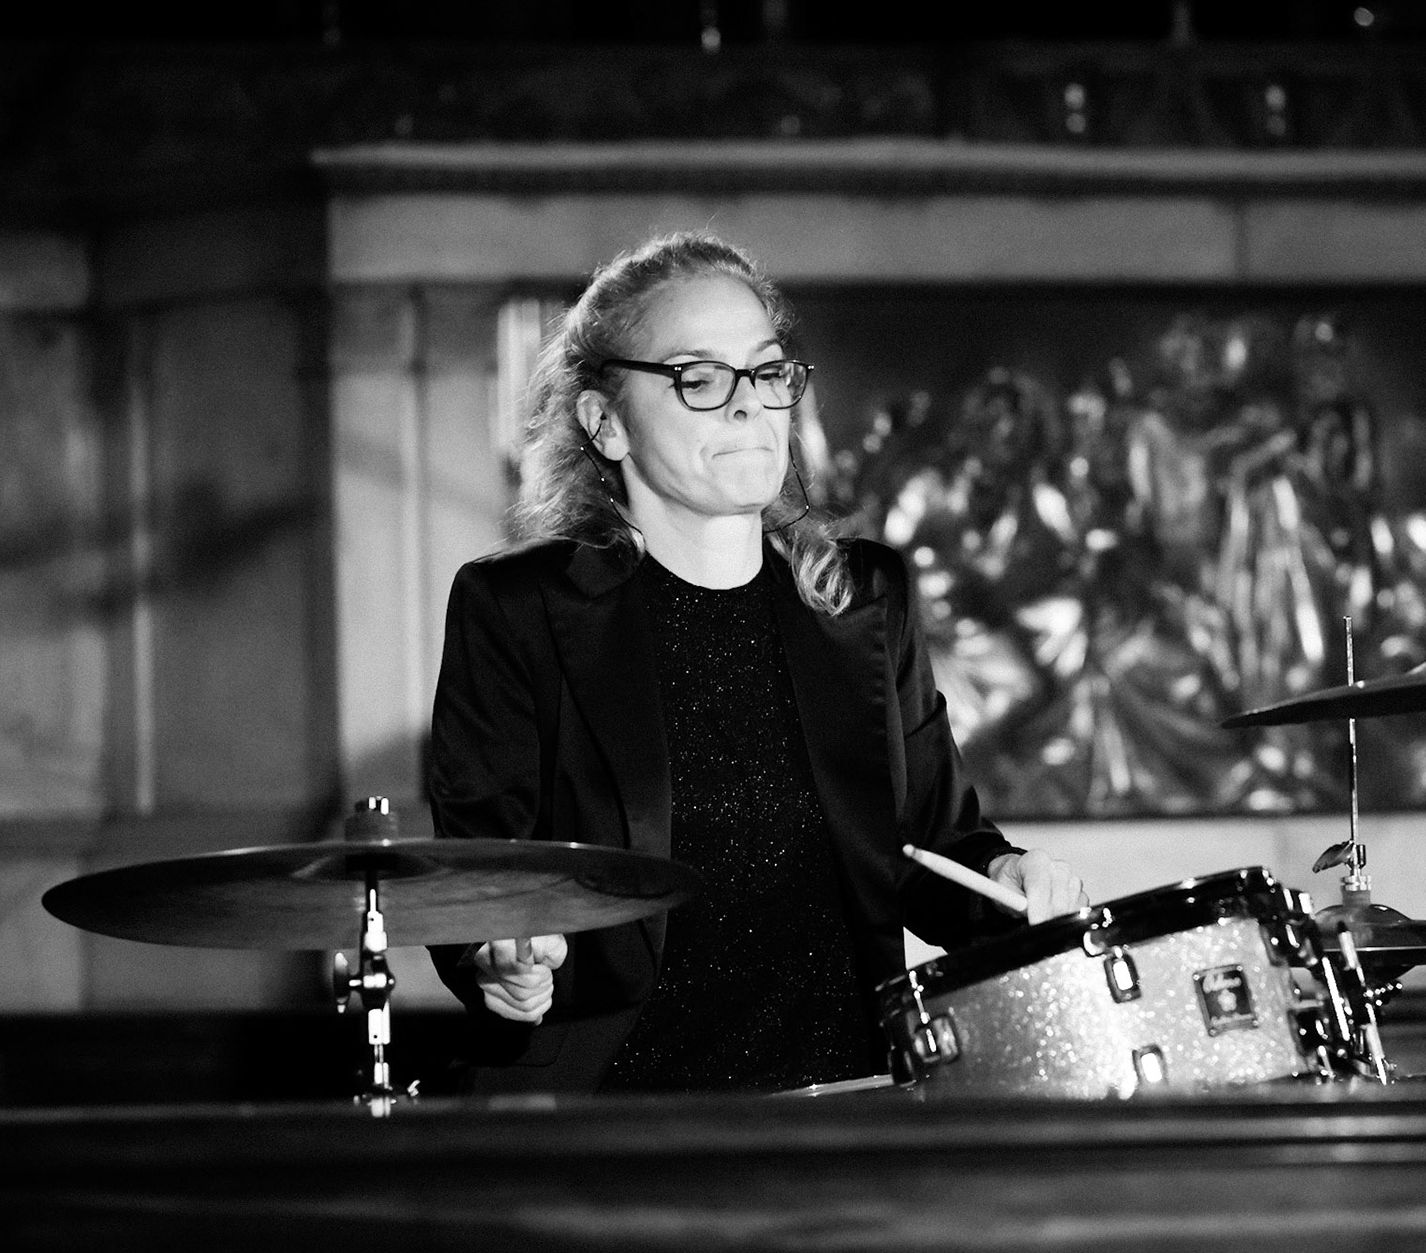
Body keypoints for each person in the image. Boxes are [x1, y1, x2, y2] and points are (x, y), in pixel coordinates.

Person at [427, 231, 1086, 1094]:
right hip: (613, 1111)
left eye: (767, 373)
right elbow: (478, 876)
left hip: (848, 1097)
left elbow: (935, 849)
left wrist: (1009, 879)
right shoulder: (518, 609)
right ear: (605, 423)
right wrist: (501, 960)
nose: (747, 409)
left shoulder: (863, 597)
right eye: (700, 379)